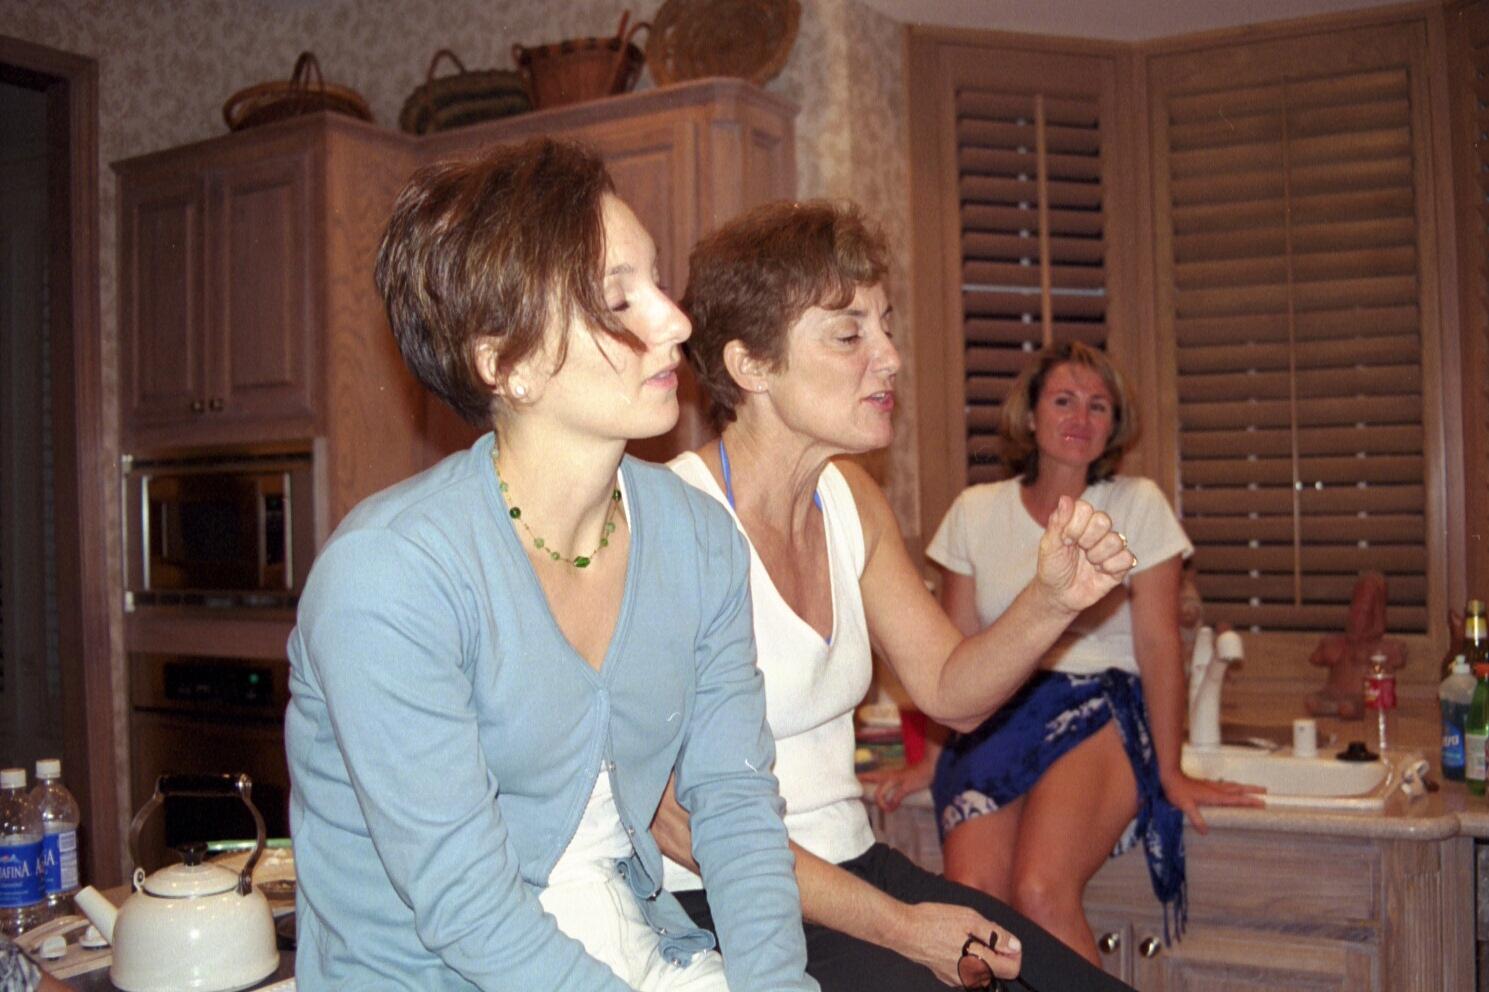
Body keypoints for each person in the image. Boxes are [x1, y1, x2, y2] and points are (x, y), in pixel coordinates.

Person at [285, 139, 814, 990]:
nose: (675, 321)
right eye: (617, 298)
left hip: (632, 954)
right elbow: (469, 911)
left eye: (656, 282)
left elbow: (735, 804)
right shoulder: (389, 577)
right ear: (507, 363)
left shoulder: (697, 540)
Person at [649, 199, 1137, 992]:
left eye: (884, 326)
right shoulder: (669, 518)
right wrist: (904, 929)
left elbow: (949, 691)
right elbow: (675, 819)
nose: (890, 358)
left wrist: (1051, 601)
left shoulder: (849, 498)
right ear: (751, 366)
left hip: (854, 868)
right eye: (848, 335)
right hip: (723, 900)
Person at [881, 342, 1260, 966]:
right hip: (994, 712)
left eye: (1098, 405)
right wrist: (931, 762)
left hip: (1099, 705)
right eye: (1063, 401)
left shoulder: (1138, 503)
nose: (1081, 417)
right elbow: (952, 659)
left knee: (1040, 891)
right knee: (971, 910)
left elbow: (1159, 644)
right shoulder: (976, 512)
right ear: (1030, 417)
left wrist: (1171, 771)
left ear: (1114, 425)